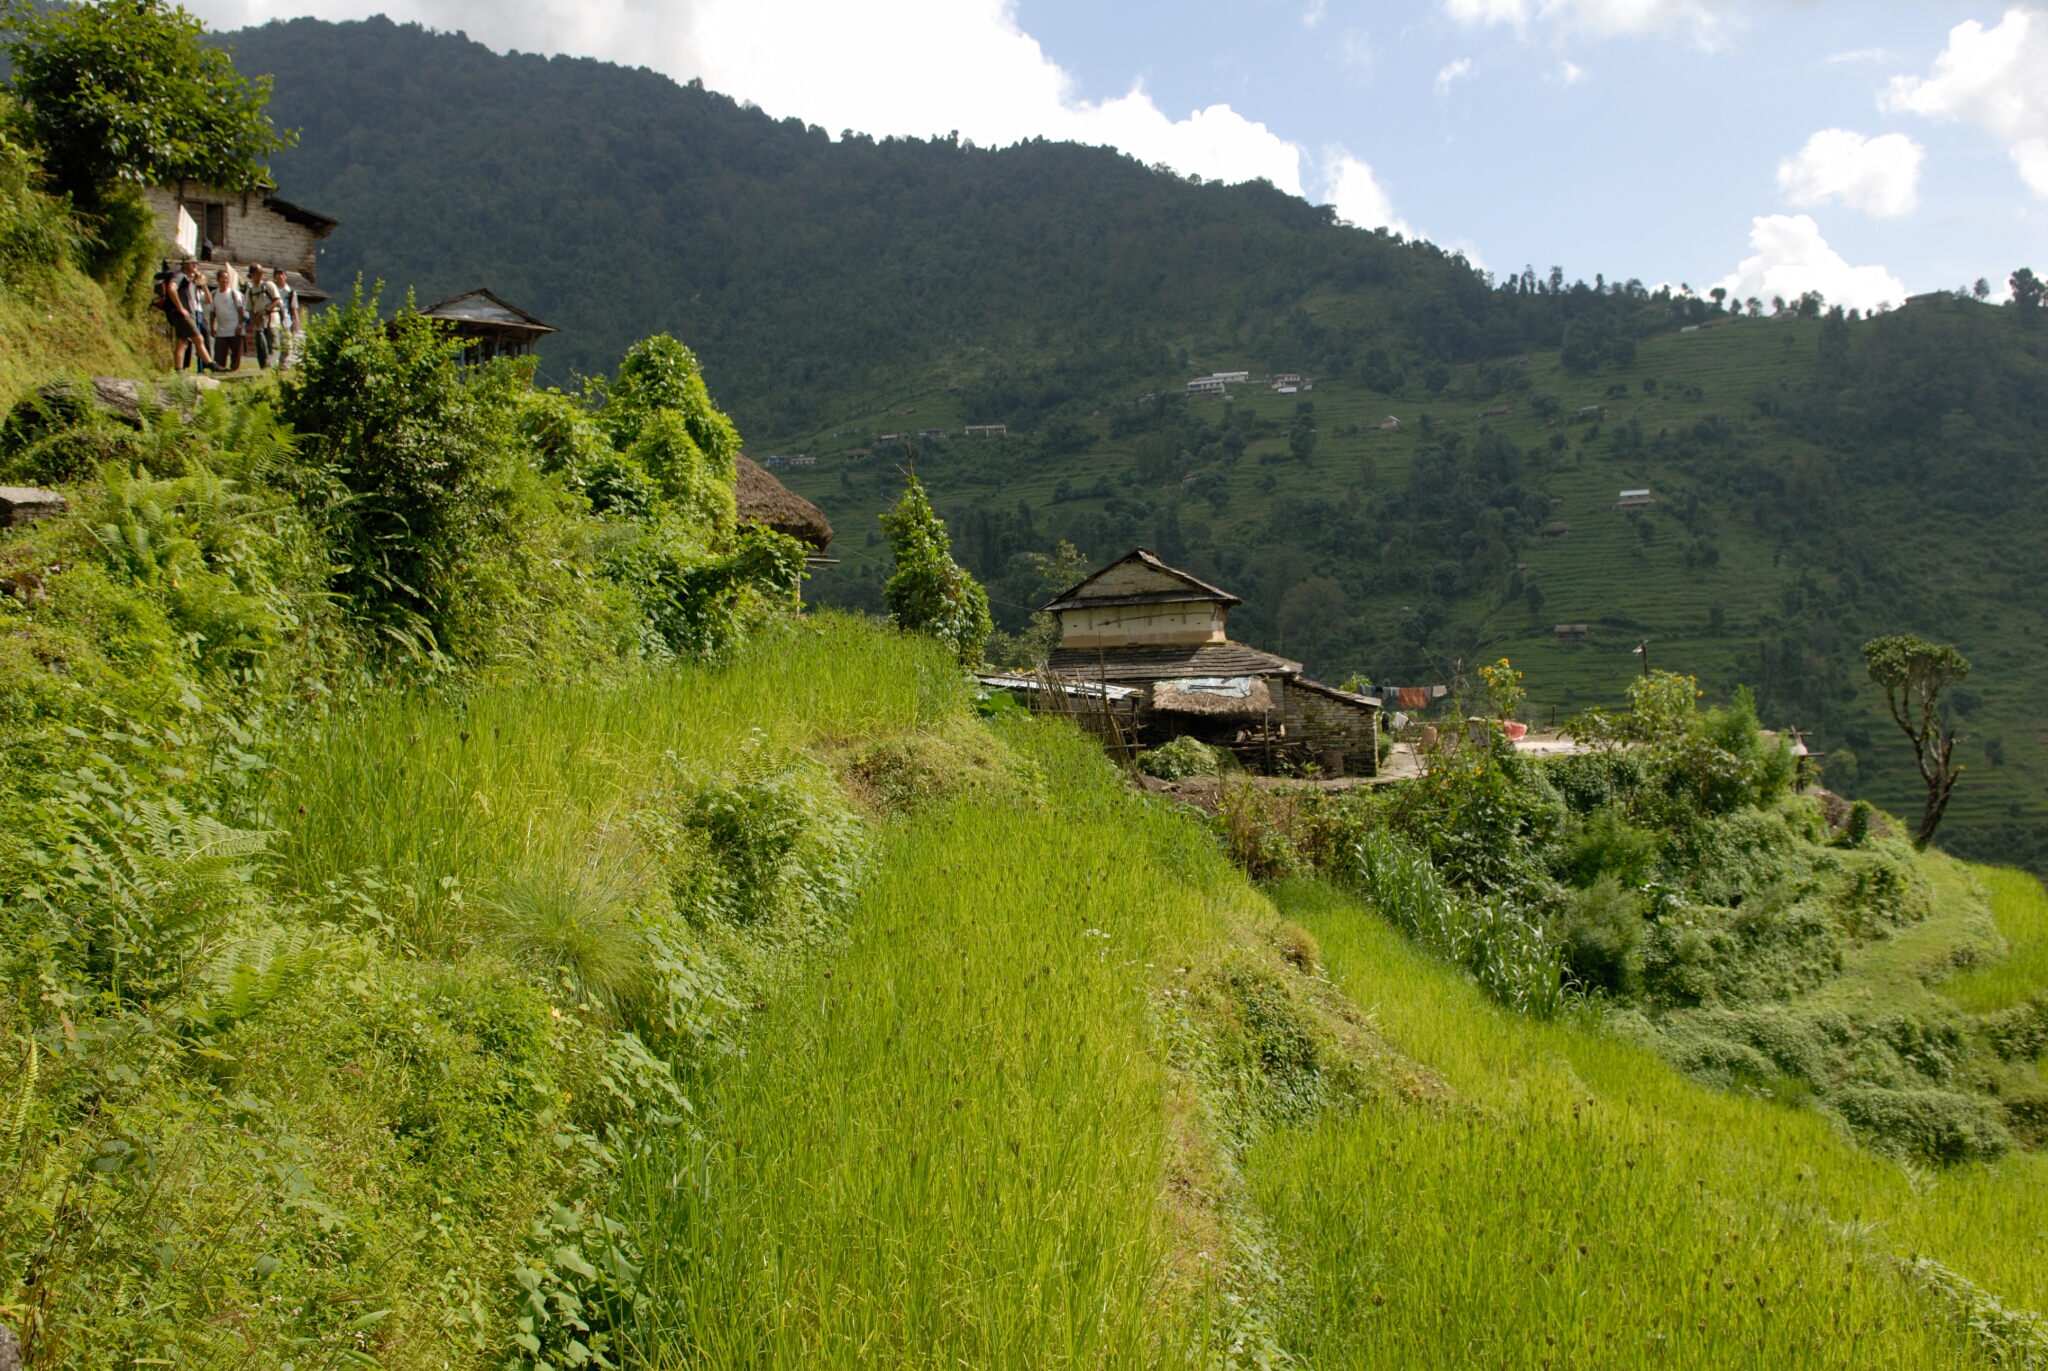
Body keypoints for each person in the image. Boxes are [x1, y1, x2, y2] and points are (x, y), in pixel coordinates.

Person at [167, 259, 211, 372]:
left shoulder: (189, 281)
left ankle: (179, 369)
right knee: (199, 338)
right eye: (193, 264)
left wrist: (202, 282)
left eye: (197, 264)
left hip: (187, 314)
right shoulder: (180, 275)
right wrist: (181, 308)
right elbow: (171, 288)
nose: (196, 266)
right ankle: (212, 365)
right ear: (186, 265)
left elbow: (208, 300)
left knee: (183, 343)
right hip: (182, 314)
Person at [246, 264, 283, 369]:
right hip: (259, 322)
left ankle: (269, 365)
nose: (261, 275)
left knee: (274, 345)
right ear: (252, 275)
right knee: (261, 346)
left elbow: (278, 300)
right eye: (258, 273)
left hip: (272, 319)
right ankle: (263, 368)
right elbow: (249, 308)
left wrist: (266, 309)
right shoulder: (250, 291)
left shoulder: (269, 285)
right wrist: (255, 320)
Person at [211, 265, 247, 372]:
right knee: (219, 352)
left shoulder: (234, 294)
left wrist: (240, 325)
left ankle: (233, 370)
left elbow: (241, 311)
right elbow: (212, 312)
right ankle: (220, 370)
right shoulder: (214, 294)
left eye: (227, 278)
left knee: (236, 352)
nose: (225, 280)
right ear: (218, 279)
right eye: (222, 278)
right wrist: (212, 326)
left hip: (235, 328)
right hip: (221, 329)